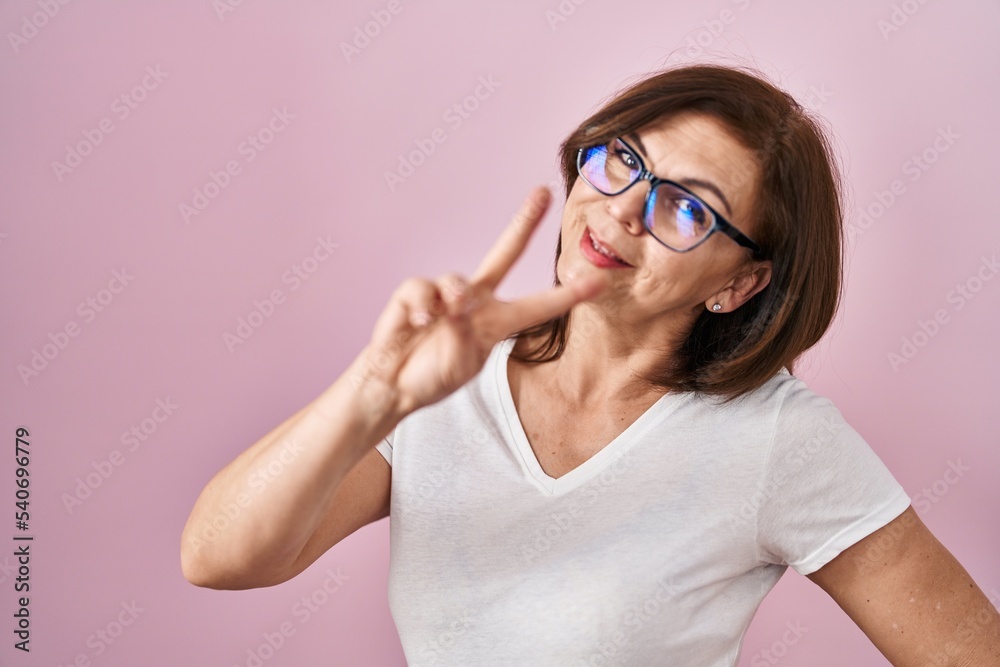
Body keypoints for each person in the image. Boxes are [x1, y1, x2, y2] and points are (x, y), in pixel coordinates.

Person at [180, 64, 1000, 665]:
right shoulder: (443, 380)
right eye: (623, 161)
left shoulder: (779, 439)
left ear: (740, 284)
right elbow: (220, 558)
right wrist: (374, 392)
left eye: (686, 206)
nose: (620, 211)